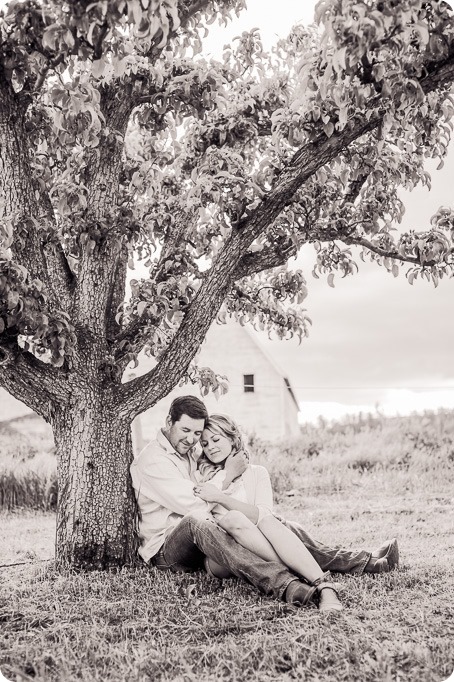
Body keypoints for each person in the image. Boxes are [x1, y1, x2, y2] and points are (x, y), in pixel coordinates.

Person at [130, 395, 399, 611]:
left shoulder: (188, 454)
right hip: (168, 548)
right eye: (186, 430)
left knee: (282, 525)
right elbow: (196, 505)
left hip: (211, 536)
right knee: (204, 522)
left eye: (196, 434)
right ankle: (289, 582)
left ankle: (362, 562)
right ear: (169, 422)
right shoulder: (155, 460)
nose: (192, 440)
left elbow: (234, 503)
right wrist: (228, 477)